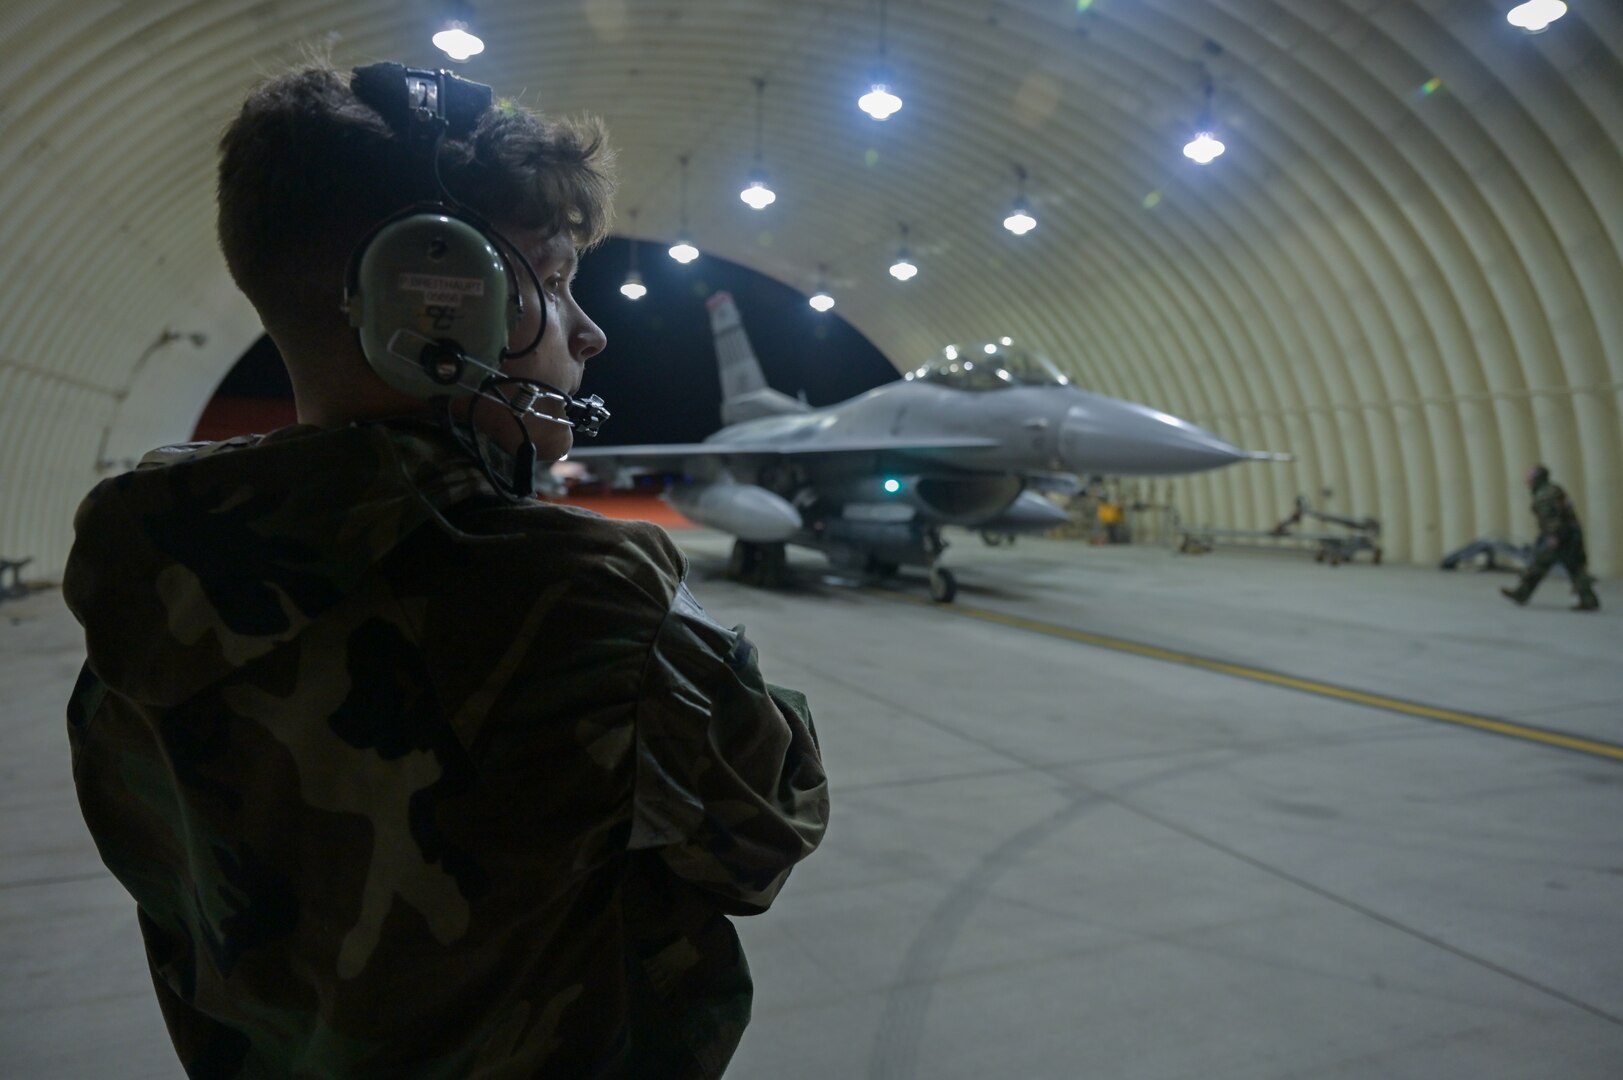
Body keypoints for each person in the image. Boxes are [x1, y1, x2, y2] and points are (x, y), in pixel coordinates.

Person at [62, 60, 828, 1079]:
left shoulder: (143, 564)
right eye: (554, 283)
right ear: (434, 302)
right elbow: (767, 832)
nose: (590, 330)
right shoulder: (584, 592)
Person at [1500, 464, 1600, 611]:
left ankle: (1521, 594)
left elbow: (1552, 518)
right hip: (1571, 535)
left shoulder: (1544, 494)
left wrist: (1553, 536)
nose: (1526, 480)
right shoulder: (1553, 489)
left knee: (1539, 564)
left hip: (1560, 537)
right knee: (1575, 569)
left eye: (1528, 477)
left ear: (1536, 478)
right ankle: (1589, 600)